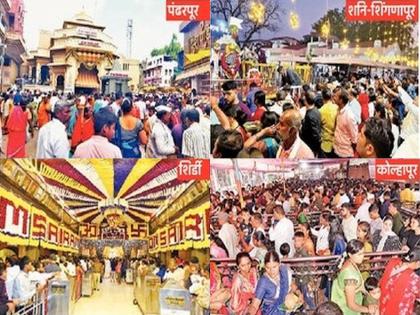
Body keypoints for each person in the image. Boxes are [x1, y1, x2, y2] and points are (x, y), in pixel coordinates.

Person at [331, 240, 377, 314]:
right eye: (359, 254)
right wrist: (368, 309)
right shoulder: (350, 277)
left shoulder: (350, 262)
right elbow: (351, 305)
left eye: (363, 253)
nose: (362, 256)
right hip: (348, 311)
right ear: (350, 254)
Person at [379, 247, 420, 315]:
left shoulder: (392, 262)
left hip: (383, 306)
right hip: (398, 311)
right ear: (418, 262)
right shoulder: (413, 278)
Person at [333, 88, 358, 158]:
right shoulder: (338, 110)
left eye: (336, 96)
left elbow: (354, 138)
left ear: (341, 100)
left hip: (345, 154)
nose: (333, 97)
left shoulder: (349, 116)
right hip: (336, 149)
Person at [300, 90, 321, 157]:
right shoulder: (315, 110)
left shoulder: (310, 115)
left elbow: (315, 134)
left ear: (306, 101)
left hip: (310, 145)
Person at [319, 88, 339, 157]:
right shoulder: (337, 108)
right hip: (336, 142)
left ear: (322, 97)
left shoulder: (321, 111)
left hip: (325, 143)